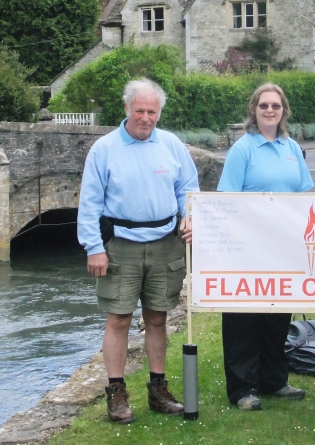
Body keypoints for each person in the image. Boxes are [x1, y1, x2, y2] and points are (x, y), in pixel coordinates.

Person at [77, 78, 199, 424]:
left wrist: (190, 215)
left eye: (152, 112)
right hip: (120, 245)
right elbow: (89, 203)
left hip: (165, 243)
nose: (146, 118)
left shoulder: (172, 145)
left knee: (158, 317)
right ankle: (116, 393)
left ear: (159, 112)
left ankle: (158, 389)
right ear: (127, 110)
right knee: (118, 318)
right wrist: (94, 248)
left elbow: (187, 187)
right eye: (139, 111)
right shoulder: (104, 149)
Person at [217, 83, 312, 411]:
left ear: (283, 110)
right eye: (263, 106)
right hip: (247, 248)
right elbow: (227, 198)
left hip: (283, 247)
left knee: (276, 316)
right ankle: (242, 388)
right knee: (244, 319)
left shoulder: (292, 148)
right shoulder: (242, 150)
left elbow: (303, 196)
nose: (270, 111)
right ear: (253, 111)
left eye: (275, 106)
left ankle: (274, 380)